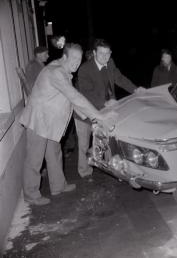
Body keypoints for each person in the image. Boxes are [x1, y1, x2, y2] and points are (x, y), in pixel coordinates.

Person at [19, 43, 117, 206]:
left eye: (79, 59)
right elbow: (75, 97)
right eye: (73, 58)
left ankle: (58, 186)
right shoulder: (56, 72)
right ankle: (31, 194)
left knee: (54, 153)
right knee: (34, 159)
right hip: (38, 120)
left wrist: (93, 118)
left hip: (50, 122)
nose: (77, 63)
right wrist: (99, 116)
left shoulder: (61, 70)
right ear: (64, 57)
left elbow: (73, 102)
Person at [75, 39, 144, 181]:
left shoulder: (110, 63)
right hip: (85, 112)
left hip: (106, 110)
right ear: (94, 53)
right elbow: (86, 93)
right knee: (84, 142)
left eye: (107, 53)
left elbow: (120, 78)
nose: (104, 57)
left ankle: (111, 167)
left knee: (108, 138)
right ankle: (85, 172)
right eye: (101, 53)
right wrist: (105, 102)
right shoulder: (84, 69)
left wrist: (135, 89)